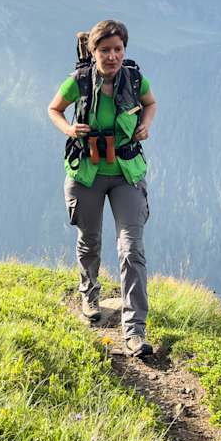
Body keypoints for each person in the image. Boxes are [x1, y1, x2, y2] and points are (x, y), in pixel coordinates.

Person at [47, 19, 157, 356]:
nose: (112, 56)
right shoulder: (79, 81)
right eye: (105, 50)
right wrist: (68, 129)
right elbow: (54, 109)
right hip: (87, 172)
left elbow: (150, 103)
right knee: (89, 240)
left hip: (125, 171)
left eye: (118, 49)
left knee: (131, 249)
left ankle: (134, 330)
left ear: (125, 50)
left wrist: (145, 126)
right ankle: (89, 294)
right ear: (93, 52)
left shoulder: (134, 78)